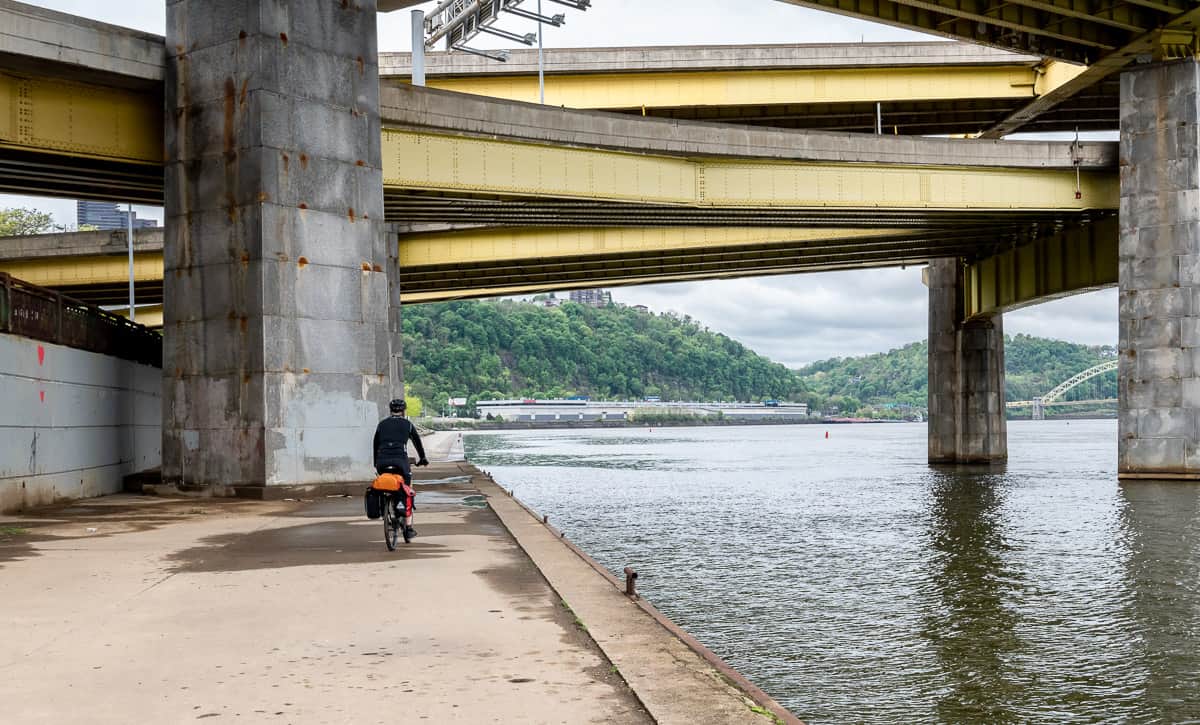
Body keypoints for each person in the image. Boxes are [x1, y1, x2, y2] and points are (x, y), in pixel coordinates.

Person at [373, 399, 428, 538]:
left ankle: (384, 507)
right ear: (404, 411)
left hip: (382, 462)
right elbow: (417, 443)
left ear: (390, 410)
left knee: (384, 482)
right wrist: (422, 458)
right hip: (400, 462)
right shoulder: (408, 425)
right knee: (407, 488)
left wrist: (376, 462)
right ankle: (408, 528)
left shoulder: (381, 425)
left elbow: (375, 445)